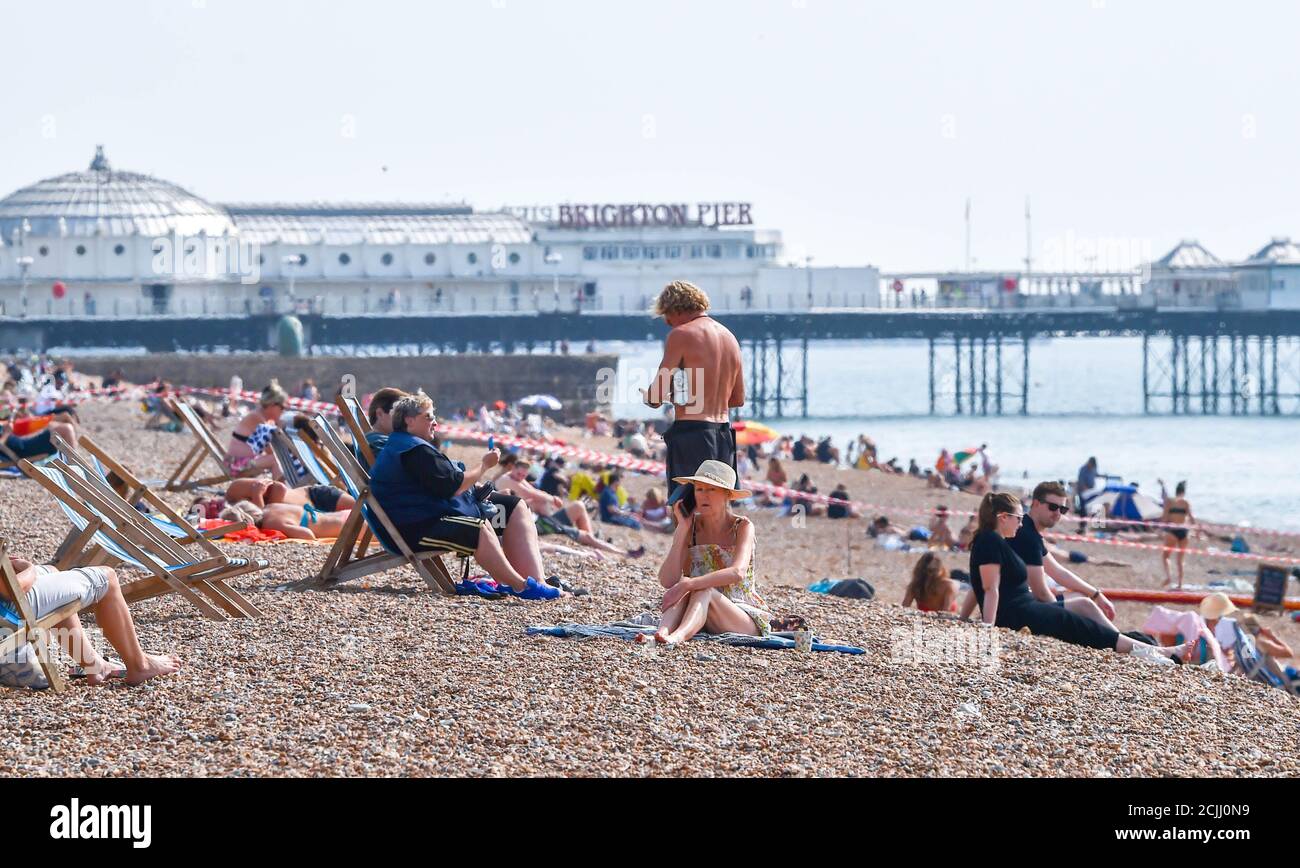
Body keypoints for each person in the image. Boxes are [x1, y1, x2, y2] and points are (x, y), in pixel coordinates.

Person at [368, 395, 560, 600]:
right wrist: (485, 465)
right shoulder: (413, 450)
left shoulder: (406, 445)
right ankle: (521, 586)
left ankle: (526, 582)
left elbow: (444, 483)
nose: (434, 421)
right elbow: (454, 486)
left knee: (499, 514)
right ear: (409, 420)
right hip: (412, 528)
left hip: (418, 517)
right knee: (477, 528)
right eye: (429, 416)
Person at [960, 492, 1182, 661]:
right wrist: (987, 629)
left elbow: (976, 585)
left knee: (1083, 607)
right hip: (1018, 614)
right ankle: (1157, 652)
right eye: (1018, 518)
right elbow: (989, 589)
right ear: (1003, 517)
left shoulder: (994, 541)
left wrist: (962, 618)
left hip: (1023, 608)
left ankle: (1136, 644)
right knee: (1077, 625)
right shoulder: (991, 542)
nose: (1021, 523)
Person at [0, 556, 180, 687]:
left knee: (53, 572)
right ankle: (140, 665)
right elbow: (11, 589)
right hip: (7, 609)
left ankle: (95, 665)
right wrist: (28, 568)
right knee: (107, 578)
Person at [647, 461, 771, 645]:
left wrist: (689, 584)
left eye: (711, 490)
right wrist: (682, 529)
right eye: (699, 489)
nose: (704, 496)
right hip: (699, 613)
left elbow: (737, 572)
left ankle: (677, 637)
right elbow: (668, 580)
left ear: (728, 495)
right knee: (689, 585)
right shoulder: (691, 528)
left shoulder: (743, 526)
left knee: (699, 588)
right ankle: (661, 633)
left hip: (741, 615)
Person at [643, 281, 744, 500]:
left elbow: (656, 395)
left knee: (685, 509)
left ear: (676, 309)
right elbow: (737, 399)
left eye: (667, 317)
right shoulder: (730, 338)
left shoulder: (681, 335)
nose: (668, 324)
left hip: (692, 434)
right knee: (718, 509)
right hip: (723, 434)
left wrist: (653, 398)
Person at [1010, 482, 1122, 633]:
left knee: (1081, 597)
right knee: (1084, 604)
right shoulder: (1027, 535)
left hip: (1015, 604)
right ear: (1035, 504)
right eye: (1053, 507)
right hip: (1016, 612)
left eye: (1062, 509)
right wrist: (1061, 614)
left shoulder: (1027, 529)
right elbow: (1041, 593)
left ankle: (1120, 639)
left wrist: (1096, 593)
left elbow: (1058, 572)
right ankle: (1120, 639)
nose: (1057, 513)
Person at [493, 458, 644, 559]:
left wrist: (548, 499)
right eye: (519, 473)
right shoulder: (507, 480)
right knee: (585, 536)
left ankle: (594, 541)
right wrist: (552, 499)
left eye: (523, 475)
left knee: (579, 506)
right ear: (512, 468)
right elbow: (530, 493)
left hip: (544, 519)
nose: (521, 477)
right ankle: (622, 553)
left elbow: (533, 492)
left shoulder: (515, 478)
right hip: (537, 524)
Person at [225, 381, 290, 478]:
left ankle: (278, 489)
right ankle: (278, 491)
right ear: (272, 405)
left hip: (239, 461)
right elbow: (270, 450)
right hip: (235, 464)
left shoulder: (258, 416)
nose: (283, 411)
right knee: (275, 459)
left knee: (276, 459)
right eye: (282, 407)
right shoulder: (257, 418)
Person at [221, 500, 352, 541]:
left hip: (349, 528)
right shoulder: (271, 507)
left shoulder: (271, 523)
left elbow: (308, 535)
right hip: (347, 515)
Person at [225, 478, 356, 514]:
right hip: (315, 518)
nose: (210, 506)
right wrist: (259, 500)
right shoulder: (232, 516)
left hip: (316, 497)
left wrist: (258, 497)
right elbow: (261, 520)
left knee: (370, 512)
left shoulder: (234, 490)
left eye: (207, 503)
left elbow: (279, 488)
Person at [1157, 480, 1194, 589]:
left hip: (1172, 530)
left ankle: (1169, 577)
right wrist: (1197, 531)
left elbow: (1164, 517)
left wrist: (1160, 529)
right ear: (1184, 492)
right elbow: (1191, 518)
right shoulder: (1186, 502)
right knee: (1180, 560)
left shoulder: (1169, 501)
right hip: (1184, 531)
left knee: (1165, 556)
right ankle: (1180, 584)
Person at [360, 387, 410, 466]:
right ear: (380, 414)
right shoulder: (377, 443)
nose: (405, 420)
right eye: (399, 414)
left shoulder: (376, 440)